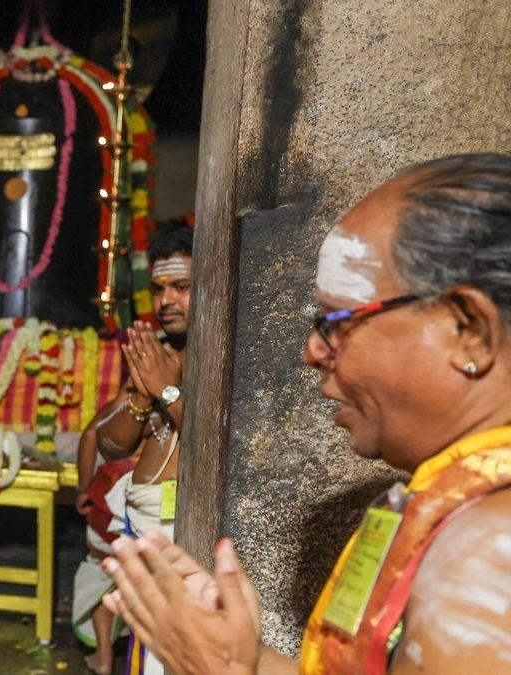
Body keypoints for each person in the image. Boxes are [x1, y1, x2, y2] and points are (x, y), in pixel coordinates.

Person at [103, 153, 511, 674]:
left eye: (337, 323)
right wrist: (244, 658)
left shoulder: (488, 557)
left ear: (469, 331)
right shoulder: (446, 504)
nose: (312, 352)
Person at [70, 226, 194, 675]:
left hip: (177, 531)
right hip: (140, 523)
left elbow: (214, 446)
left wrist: (168, 391)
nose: (166, 301)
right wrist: (142, 397)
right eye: (158, 289)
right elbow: (111, 443)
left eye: (181, 287)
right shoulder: (156, 352)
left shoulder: (219, 354)